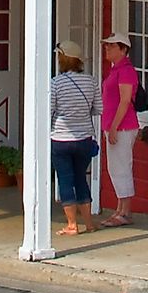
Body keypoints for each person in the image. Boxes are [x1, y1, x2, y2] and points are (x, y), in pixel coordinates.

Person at [48, 44, 99, 238]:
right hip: (84, 137)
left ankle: (71, 225)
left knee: (65, 180)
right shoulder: (91, 81)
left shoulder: (56, 83)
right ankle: (89, 223)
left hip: (61, 138)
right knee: (81, 178)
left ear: (63, 58)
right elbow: (97, 109)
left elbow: (50, 109)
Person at [99, 30, 140, 226]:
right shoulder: (115, 69)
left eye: (112, 45)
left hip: (123, 126)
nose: (107, 48)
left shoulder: (126, 71)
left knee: (122, 166)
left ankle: (126, 212)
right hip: (113, 125)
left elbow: (125, 101)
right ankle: (120, 208)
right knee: (115, 167)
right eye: (107, 44)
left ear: (123, 49)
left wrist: (114, 127)